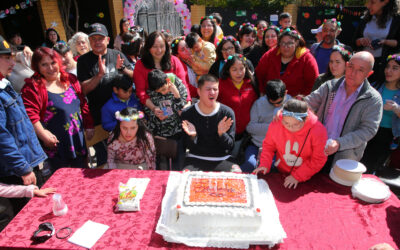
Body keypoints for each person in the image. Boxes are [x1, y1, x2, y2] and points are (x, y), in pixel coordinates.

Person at [305, 51, 383, 172]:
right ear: (347, 65)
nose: (353, 73)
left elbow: (368, 130)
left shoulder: (373, 99)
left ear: (369, 74)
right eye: (351, 67)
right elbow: (308, 102)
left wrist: (340, 143)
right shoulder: (330, 86)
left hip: (344, 158)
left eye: (360, 70)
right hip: (317, 149)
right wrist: (288, 110)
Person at [22, 47, 94, 172]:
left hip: (78, 139)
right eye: (44, 64)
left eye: (53, 63)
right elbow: (30, 114)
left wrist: (89, 125)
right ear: (37, 67)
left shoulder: (71, 79)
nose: (50, 68)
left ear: (59, 62)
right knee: (63, 179)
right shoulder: (32, 87)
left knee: (83, 175)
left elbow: (82, 103)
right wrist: (43, 135)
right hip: (56, 145)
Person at [0, 35, 47, 228]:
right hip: (16, 171)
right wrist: (23, 168)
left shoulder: (5, 84)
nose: (12, 62)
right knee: (29, 219)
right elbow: (2, 137)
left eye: (12, 56)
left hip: (27, 162)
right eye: (6, 58)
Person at [77, 23, 133, 167]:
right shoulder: (83, 61)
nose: (97, 42)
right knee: (104, 159)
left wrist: (123, 70)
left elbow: (134, 76)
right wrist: (100, 74)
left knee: (125, 157)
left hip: (121, 116)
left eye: (100, 38)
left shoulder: (117, 55)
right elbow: (83, 90)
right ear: (89, 41)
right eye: (93, 39)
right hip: (98, 118)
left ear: (107, 40)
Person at [253, 99, 328, 189]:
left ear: (306, 119)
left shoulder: (318, 131)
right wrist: (265, 164)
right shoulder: (277, 123)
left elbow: (318, 159)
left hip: (307, 175)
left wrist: (298, 176)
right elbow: (269, 146)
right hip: (280, 170)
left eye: (296, 124)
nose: (290, 128)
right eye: (286, 123)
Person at [181, 74, 240, 172]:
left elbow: (230, 147)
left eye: (215, 89)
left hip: (222, 158)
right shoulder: (188, 113)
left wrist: (222, 134)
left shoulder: (227, 113)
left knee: (237, 175)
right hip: (195, 158)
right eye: (208, 89)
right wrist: (192, 136)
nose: (212, 92)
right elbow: (187, 146)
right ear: (199, 91)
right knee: (185, 178)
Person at [133, 31, 191, 113]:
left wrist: (188, 102)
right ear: (148, 48)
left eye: (162, 46)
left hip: (176, 104)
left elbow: (184, 85)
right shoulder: (140, 65)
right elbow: (141, 92)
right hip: (154, 107)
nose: (159, 50)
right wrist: (154, 108)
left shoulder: (174, 61)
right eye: (155, 46)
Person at [361, 53, 400, 174]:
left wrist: (396, 109)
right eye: (388, 67)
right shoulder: (375, 86)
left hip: (386, 136)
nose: (389, 71)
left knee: (371, 168)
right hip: (367, 130)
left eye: (395, 68)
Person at [242, 79, 291, 172]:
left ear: (285, 93)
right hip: (256, 145)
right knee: (250, 165)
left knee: (272, 167)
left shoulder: (290, 104)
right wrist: (274, 127)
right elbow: (250, 127)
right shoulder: (259, 103)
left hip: (278, 148)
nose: (276, 105)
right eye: (272, 103)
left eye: (279, 102)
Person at [256, 28, 319, 96]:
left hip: (296, 102)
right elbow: (259, 75)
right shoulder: (270, 55)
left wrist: (301, 99)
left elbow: (313, 83)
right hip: (270, 99)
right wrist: (261, 92)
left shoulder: (306, 59)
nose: (286, 47)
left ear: (296, 42)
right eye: (283, 43)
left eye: (290, 43)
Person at [147, 69, 188, 170]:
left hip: (177, 130)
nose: (163, 93)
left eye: (164, 89)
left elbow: (183, 108)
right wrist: (155, 113)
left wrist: (177, 95)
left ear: (168, 81)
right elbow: (146, 109)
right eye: (159, 91)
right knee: (160, 166)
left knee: (178, 165)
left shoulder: (177, 83)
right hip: (159, 133)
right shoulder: (151, 90)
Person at [353, 0, 400, 83]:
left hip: (383, 67)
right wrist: (361, 41)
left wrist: (385, 42)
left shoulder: (396, 20)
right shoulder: (364, 18)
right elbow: (354, 41)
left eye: (373, 2)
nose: (368, 5)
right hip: (363, 65)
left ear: (385, 2)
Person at [218, 54, 258, 138]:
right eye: (234, 70)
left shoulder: (251, 84)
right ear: (228, 70)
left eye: (241, 69)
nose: (239, 73)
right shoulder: (220, 84)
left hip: (247, 132)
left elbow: (255, 105)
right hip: (226, 131)